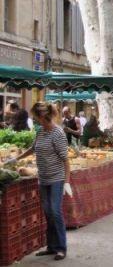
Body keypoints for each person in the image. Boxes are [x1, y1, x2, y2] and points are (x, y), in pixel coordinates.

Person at [8, 102, 71, 260]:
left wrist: (67, 182)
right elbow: (32, 148)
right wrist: (16, 159)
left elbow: (66, 160)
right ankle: (51, 246)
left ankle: (61, 248)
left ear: (42, 117)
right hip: (43, 179)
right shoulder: (41, 132)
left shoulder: (58, 133)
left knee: (55, 212)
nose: (34, 120)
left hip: (56, 179)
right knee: (48, 213)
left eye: (36, 117)